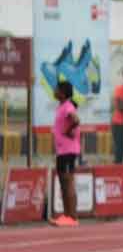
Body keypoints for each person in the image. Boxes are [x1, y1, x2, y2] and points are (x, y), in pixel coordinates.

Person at [52, 81, 80, 227]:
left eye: (57, 89)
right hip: (62, 150)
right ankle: (67, 215)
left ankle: (72, 216)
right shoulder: (62, 107)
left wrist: (68, 130)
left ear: (63, 93)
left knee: (68, 181)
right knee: (63, 182)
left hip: (68, 150)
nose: (54, 91)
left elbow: (75, 119)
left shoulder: (68, 106)